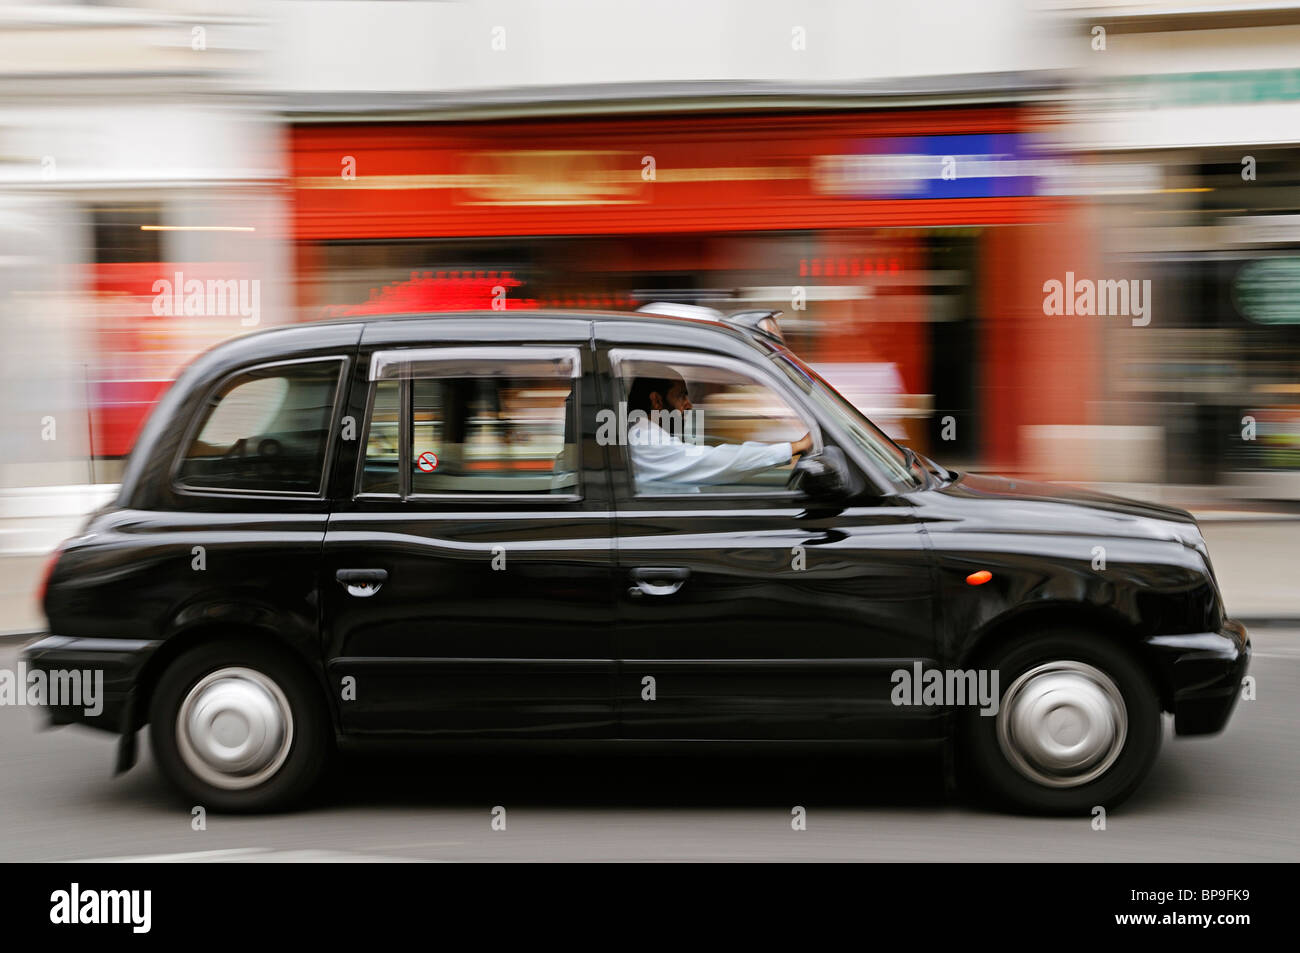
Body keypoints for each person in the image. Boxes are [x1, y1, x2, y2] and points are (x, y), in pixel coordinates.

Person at [625, 372, 813, 489]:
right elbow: (717, 461)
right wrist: (796, 446)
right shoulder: (646, 441)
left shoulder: (649, 437)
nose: (689, 405)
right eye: (681, 396)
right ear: (656, 401)